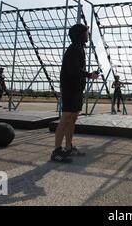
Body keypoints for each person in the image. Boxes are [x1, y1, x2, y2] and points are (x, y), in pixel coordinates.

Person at [51, 24, 99, 163]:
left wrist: (89, 75)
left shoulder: (79, 48)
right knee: (66, 118)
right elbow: (73, 70)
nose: (88, 34)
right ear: (80, 34)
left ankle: (68, 147)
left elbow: (77, 69)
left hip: (76, 88)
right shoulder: (74, 49)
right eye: (86, 32)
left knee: (72, 118)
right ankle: (56, 151)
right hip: (70, 88)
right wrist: (89, 75)